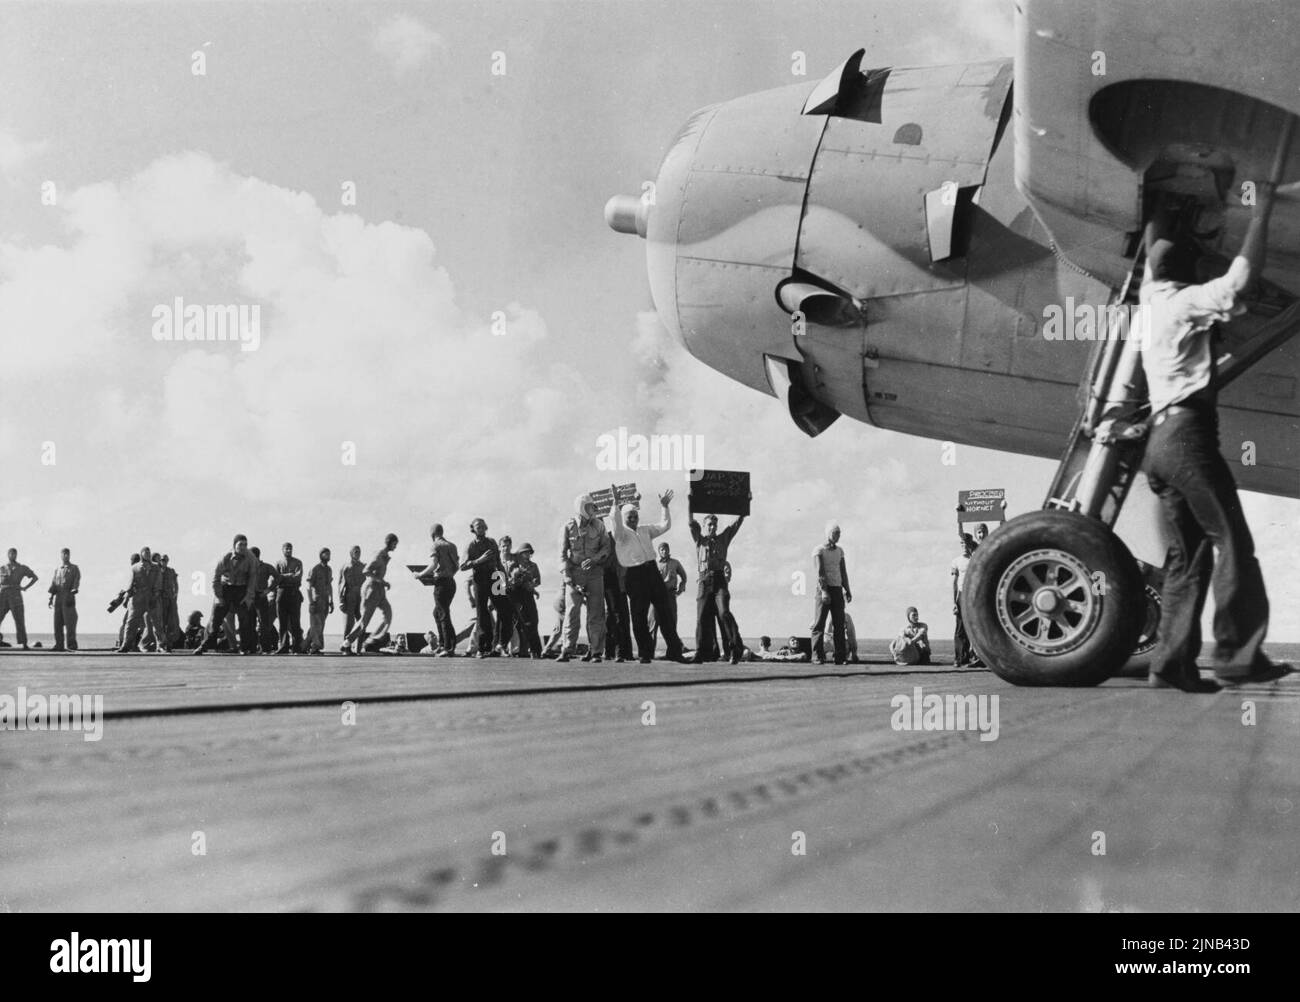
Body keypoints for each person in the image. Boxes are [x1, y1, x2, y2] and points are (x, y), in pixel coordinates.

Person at [1138, 191, 1292, 691]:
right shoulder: (1184, 303)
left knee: (1188, 557)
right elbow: (1237, 284)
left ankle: (1169, 665)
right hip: (1188, 438)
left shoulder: (1151, 299)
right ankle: (1238, 656)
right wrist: (1261, 211)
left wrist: (1162, 213)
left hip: (1157, 444)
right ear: (1187, 269)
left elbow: (1156, 252)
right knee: (1233, 540)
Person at [609, 489, 688, 664]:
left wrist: (664, 507)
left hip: (652, 571)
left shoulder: (645, 530)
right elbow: (615, 523)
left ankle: (675, 652)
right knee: (639, 615)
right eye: (629, 516)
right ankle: (645, 653)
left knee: (665, 613)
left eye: (635, 516)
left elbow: (664, 525)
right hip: (634, 574)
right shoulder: (620, 535)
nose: (633, 519)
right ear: (623, 518)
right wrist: (615, 504)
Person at [689, 511, 745, 664]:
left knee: (724, 613)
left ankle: (735, 648)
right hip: (704, 579)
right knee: (701, 618)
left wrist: (743, 506)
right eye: (709, 524)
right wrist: (690, 501)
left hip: (720, 579)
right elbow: (691, 523)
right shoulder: (699, 540)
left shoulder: (723, 538)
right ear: (704, 526)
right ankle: (701, 653)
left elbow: (737, 523)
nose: (712, 527)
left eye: (715, 525)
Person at [559, 497, 611, 663]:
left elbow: (606, 547)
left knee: (596, 613)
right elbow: (562, 553)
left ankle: (596, 652)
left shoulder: (599, 526)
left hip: (595, 573)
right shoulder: (567, 527)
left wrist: (595, 559)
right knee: (572, 611)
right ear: (581, 507)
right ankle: (566, 650)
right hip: (575, 573)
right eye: (588, 507)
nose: (592, 510)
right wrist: (566, 574)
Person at [193, 535, 258, 655]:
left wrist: (248, 597)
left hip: (241, 589)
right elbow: (216, 578)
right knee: (215, 619)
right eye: (240, 545)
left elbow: (252, 579)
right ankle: (204, 646)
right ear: (234, 546)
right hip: (226, 588)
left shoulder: (251, 558)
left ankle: (244, 648)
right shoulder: (225, 557)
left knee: (244, 620)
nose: (243, 547)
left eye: (245, 545)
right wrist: (219, 597)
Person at [344, 534, 399, 654]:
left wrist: (382, 583)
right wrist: (382, 581)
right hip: (371, 589)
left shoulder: (385, 556)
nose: (396, 547)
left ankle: (372, 640)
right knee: (364, 620)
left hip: (379, 590)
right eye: (395, 544)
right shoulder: (379, 555)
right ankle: (347, 643)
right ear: (390, 543)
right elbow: (366, 570)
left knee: (388, 614)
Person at [460, 519, 506, 659]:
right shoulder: (470, 545)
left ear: (486, 527)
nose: (480, 528)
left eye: (482, 526)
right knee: (482, 613)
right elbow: (462, 566)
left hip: (494, 577)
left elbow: (499, 563)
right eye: (477, 527)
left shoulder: (492, 542)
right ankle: (482, 648)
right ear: (473, 529)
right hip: (479, 578)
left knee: (503, 610)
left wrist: (504, 581)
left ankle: (499, 645)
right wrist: (480, 560)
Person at [810, 521, 852, 665]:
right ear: (828, 533)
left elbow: (843, 571)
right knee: (819, 623)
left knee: (839, 623)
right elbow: (819, 572)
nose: (838, 536)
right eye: (835, 533)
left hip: (837, 588)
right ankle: (817, 655)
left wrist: (847, 589)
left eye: (839, 533)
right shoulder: (819, 550)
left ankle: (840, 656)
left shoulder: (840, 551)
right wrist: (824, 591)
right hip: (824, 589)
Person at [418, 523, 459, 656]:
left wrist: (420, 574)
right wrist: (448, 574)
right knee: (438, 613)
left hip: (441, 584)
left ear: (432, 535)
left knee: (442, 614)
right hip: (451, 583)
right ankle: (447, 644)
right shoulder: (452, 546)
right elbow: (456, 566)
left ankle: (446, 647)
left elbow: (434, 564)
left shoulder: (435, 545)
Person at [648, 541, 687, 652]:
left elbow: (684, 576)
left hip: (670, 595)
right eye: (662, 549)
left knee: (672, 622)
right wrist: (663, 582)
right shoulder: (654, 564)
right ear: (659, 551)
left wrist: (681, 588)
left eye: (666, 549)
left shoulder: (675, 563)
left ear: (669, 550)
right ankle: (650, 652)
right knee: (652, 623)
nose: (664, 551)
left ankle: (673, 652)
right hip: (656, 596)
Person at [506, 543, 543, 658]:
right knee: (522, 624)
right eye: (525, 553)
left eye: (529, 553)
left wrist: (532, 585)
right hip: (516, 596)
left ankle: (536, 650)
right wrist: (517, 577)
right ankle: (522, 650)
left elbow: (538, 580)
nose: (527, 555)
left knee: (533, 621)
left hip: (528, 595)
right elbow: (509, 580)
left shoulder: (533, 566)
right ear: (520, 554)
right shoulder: (513, 565)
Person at [120, 545, 158, 653]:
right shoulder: (135, 568)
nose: (147, 554)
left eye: (149, 552)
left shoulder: (155, 568)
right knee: (130, 623)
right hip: (137, 598)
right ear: (141, 554)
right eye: (145, 552)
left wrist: (155, 596)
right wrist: (126, 598)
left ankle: (161, 645)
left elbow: (157, 583)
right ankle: (125, 645)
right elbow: (130, 584)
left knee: (157, 623)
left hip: (150, 597)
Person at [951, 534, 980, 667]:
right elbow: (954, 582)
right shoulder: (956, 561)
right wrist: (954, 602)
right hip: (962, 595)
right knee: (960, 628)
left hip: (974, 594)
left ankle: (974, 656)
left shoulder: (975, 559)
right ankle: (959, 657)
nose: (964, 546)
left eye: (966, 543)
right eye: (962, 543)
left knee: (974, 626)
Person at [47, 548, 80, 652]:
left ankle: (71, 645)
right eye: (64, 554)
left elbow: (77, 580)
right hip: (58, 597)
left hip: (68, 595)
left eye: (67, 554)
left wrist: (74, 590)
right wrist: (51, 598)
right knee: (57, 623)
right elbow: (53, 584)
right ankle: (59, 645)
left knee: (70, 622)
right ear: (61, 555)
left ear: (69, 555)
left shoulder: (74, 568)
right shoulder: (57, 569)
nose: (66, 556)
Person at [275, 542, 305, 654]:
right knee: (282, 622)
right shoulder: (278, 563)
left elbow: (298, 577)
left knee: (295, 621)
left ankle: (297, 647)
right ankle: (283, 646)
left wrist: (284, 577)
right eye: (286, 549)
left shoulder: (298, 562)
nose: (288, 551)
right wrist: (289, 575)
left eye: (290, 549)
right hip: (281, 592)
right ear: (282, 550)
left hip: (294, 592)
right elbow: (276, 578)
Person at [249, 547, 280, 654]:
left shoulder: (266, 567)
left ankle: (266, 648)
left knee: (264, 624)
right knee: (250, 623)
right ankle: (252, 648)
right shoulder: (247, 567)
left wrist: (268, 590)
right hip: (249, 597)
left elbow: (277, 577)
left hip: (261, 597)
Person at [338, 545, 365, 652]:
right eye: (355, 552)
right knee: (348, 624)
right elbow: (341, 584)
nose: (358, 554)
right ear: (351, 553)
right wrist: (341, 601)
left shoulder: (363, 566)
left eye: (359, 552)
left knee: (362, 623)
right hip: (349, 596)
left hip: (361, 597)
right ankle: (346, 648)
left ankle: (358, 649)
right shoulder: (346, 566)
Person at [306, 547, 333, 655]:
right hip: (316, 600)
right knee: (316, 625)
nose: (328, 556)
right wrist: (311, 602)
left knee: (320, 625)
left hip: (325, 601)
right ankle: (314, 647)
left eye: (329, 554)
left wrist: (331, 601)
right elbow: (308, 586)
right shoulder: (315, 569)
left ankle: (304, 645)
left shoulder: (329, 569)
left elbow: (329, 585)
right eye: (325, 554)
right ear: (321, 555)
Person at [161, 555, 181, 650]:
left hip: (170, 599)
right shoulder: (157, 571)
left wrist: (175, 594)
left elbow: (176, 583)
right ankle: (162, 643)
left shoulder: (171, 571)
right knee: (161, 621)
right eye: (162, 560)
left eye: (165, 560)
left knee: (171, 621)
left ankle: (169, 642)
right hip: (161, 599)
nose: (164, 562)